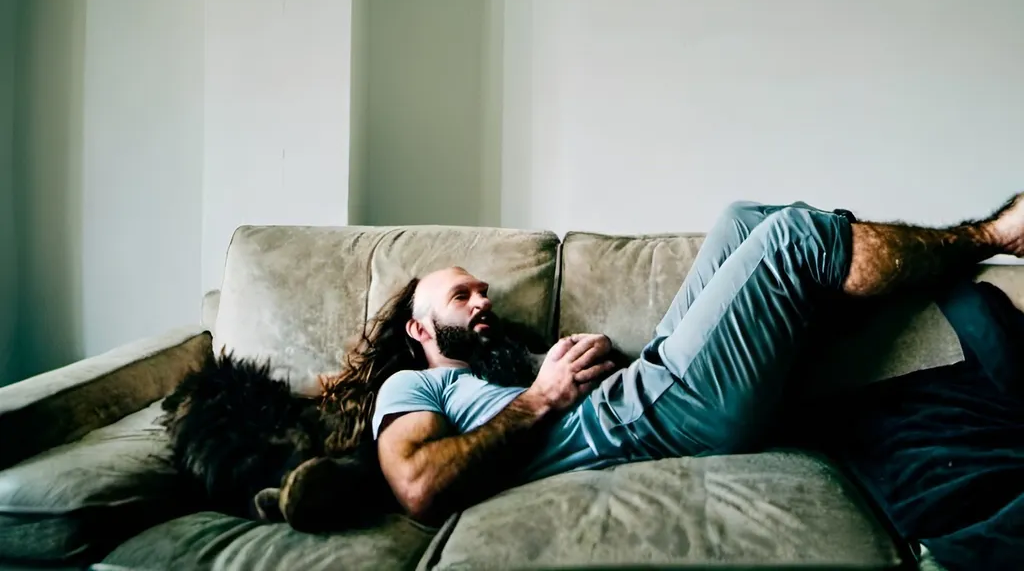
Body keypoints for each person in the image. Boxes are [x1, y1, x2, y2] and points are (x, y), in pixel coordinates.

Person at [287, 193, 1024, 529]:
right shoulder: (414, 384)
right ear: (418, 327)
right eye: (460, 296)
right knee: (793, 239)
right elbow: (415, 483)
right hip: (660, 415)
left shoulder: (498, 365)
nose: (481, 299)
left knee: (741, 219)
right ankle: (994, 232)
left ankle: (922, 298)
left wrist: (573, 369)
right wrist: (544, 396)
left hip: (648, 382)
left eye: (481, 289)